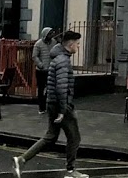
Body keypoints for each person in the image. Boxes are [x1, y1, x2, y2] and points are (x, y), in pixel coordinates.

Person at [13, 30, 86, 178]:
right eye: (77, 44)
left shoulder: (58, 58)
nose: (78, 47)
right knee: (74, 137)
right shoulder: (63, 61)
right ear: (70, 45)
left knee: (51, 136)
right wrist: (62, 110)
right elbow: (61, 87)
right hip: (61, 104)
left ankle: (21, 159)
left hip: (52, 102)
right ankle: (71, 171)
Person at [32, 28, 55, 114]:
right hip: (41, 71)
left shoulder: (54, 42)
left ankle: (49, 106)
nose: (51, 35)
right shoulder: (38, 44)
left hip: (50, 69)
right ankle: (41, 107)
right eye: (49, 34)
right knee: (41, 89)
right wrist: (40, 65)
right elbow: (34, 56)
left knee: (50, 89)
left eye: (51, 33)